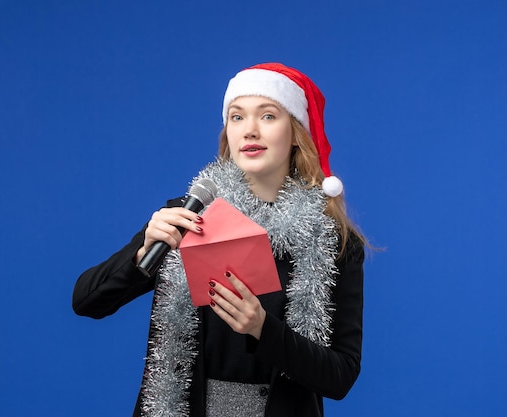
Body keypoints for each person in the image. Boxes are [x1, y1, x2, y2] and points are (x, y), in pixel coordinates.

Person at [73, 63, 366, 417]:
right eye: (237, 117)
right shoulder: (187, 217)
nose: (250, 131)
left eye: (269, 116)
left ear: (295, 133)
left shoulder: (334, 240)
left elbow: (341, 376)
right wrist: (143, 251)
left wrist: (262, 328)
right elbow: (87, 301)